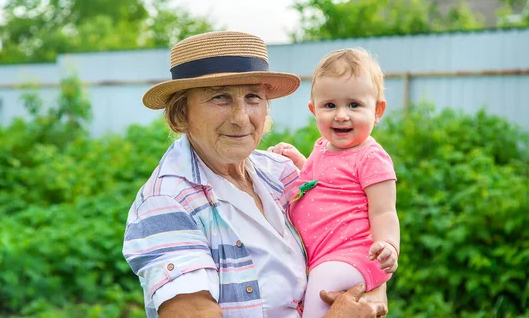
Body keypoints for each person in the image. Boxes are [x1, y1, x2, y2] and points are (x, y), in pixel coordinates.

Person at [122, 31, 389, 318]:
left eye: (252, 97)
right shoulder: (166, 202)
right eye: (220, 98)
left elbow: (355, 237)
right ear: (181, 114)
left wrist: (372, 295)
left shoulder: (281, 173)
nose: (241, 117)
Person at [268, 48, 400, 318]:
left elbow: (384, 210)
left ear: (377, 111)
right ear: (313, 109)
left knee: (318, 299)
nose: (341, 115)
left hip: (352, 254)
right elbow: (322, 183)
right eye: (330, 105)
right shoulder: (322, 147)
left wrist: (388, 245)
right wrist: (299, 162)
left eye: (354, 105)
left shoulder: (370, 156)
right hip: (322, 255)